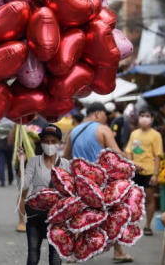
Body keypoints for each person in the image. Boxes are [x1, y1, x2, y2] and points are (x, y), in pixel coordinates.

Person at [63, 102, 135, 263]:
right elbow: (117, 155)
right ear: (97, 114)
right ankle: (118, 252)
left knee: (81, 215)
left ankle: (74, 254)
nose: (106, 118)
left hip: (80, 183)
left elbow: (66, 157)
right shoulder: (103, 129)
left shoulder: (73, 132)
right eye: (104, 115)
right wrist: (133, 164)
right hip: (101, 183)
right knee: (111, 217)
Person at [18, 124, 69, 265]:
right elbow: (25, 183)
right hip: (36, 217)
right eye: (46, 141)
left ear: (60, 143)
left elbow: (72, 193)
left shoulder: (66, 165)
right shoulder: (34, 162)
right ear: (41, 143)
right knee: (33, 258)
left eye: (53, 142)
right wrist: (21, 163)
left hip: (58, 219)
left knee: (55, 259)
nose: (49, 145)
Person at [125, 109, 162, 236]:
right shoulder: (134, 134)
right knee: (132, 198)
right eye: (142, 116)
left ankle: (147, 225)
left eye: (147, 116)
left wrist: (155, 174)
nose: (145, 118)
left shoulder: (156, 135)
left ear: (151, 119)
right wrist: (133, 164)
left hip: (149, 171)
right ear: (138, 118)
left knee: (149, 199)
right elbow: (129, 151)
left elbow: (158, 156)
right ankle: (132, 224)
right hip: (135, 172)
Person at [8, 114, 48, 233]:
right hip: (23, 163)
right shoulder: (19, 121)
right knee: (23, 193)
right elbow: (10, 142)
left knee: (40, 194)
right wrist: (15, 129)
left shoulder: (44, 122)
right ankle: (21, 221)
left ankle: (39, 221)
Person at [0, 118, 15, 187]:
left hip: (0, 142)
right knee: (9, 162)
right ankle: (10, 178)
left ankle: (2, 180)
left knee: (1, 162)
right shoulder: (11, 120)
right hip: (9, 142)